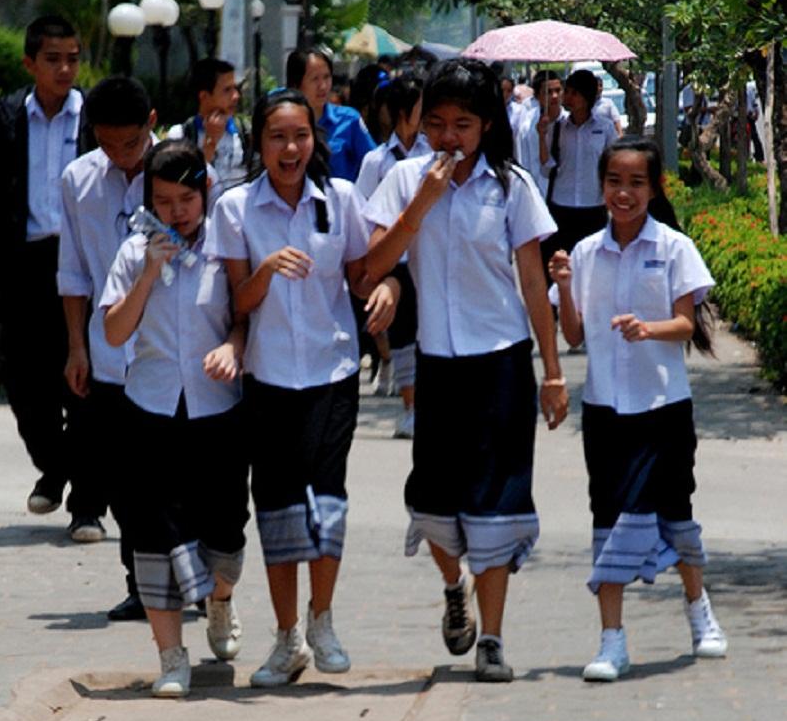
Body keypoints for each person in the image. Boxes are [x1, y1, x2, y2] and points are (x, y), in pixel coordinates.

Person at [365, 59, 569, 682]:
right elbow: (371, 267)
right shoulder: (403, 179)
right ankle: (454, 586)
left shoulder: (510, 186)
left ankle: (495, 639)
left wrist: (553, 371)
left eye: (463, 125)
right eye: (436, 124)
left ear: (486, 127)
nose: (448, 138)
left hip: (501, 364)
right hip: (437, 364)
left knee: (498, 501)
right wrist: (421, 204)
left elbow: (532, 281)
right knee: (431, 497)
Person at [205, 88, 399, 688]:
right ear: (259, 144)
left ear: (315, 139)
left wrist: (389, 287)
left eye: (300, 136)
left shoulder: (339, 200)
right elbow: (237, 304)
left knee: (329, 500)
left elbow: (366, 271)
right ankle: (287, 637)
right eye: (276, 137)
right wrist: (264, 270)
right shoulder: (235, 209)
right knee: (278, 508)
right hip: (267, 379)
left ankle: (323, 619)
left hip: (332, 373)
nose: (290, 149)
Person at [548, 137, 728, 682]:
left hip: (663, 408)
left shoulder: (673, 247)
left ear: (654, 189)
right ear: (601, 185)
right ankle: (612, 640)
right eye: (614, 182)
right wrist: (562, 287)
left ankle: (700, 613)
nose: (623, 194)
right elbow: (574, 335)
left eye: (635, 183)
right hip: (604, 411)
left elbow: (685, 323)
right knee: (608, 516)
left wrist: (647, 328)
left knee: (676, 513)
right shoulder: (583, 253)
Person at [100, 141, 248, 697]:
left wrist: (233, 347)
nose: (177, 211)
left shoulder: (226, 248)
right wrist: (147, 273)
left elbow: (244, 314)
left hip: (218, 408)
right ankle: (171, 658)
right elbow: (113, 333)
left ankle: (220, 601)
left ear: (206, 193)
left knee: (227, 529)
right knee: (153, 532)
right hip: (151, 408)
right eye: (164, 200)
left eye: (188, 198)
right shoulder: (135, 249)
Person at [0, 15, 106, 533]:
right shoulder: (7, 119)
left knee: (82, 382)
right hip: (26, 266)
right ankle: (56, 467)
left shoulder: (93, 117)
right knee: (24, 384)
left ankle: (87, 505)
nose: (65, 69)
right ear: (29, 63)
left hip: (83, 265)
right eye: (52, 59)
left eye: (73, 58)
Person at [58, 76, 157, 621]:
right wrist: (77, 347)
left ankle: (188, 576)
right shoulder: (78, 179)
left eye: (131, 144)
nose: (120, 156)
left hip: (171, 351)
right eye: (107, 144)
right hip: (107, 352)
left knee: (173, 474)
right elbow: (73, 272)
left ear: (152, 123)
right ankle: (140, 583)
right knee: (123, 476)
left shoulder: (183, 170)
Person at [356, 73, 429, 438]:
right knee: (400, 335)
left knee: (423, 333)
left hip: (425, 258)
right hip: (392, 263)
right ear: (404, 112)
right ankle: (410, 405)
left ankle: (426, 403)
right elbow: (362, 209)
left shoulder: (433, 155)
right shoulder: (377, 161)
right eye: (420, 108)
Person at [538, 69, 618, 285]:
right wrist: (541, 136)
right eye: (568, 91)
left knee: (592, 269)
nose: (567, 97)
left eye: (574, 93)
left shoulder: (605, 128)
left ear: (587, 96)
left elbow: (614, 167)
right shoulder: (557, 129)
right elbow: (546, 167)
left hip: (593, 207)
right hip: (562, 208)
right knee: (561, 267)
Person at [286, 49, 376, 181]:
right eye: (315, 79)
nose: (323, 86)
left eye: (327, 77)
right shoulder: (284, 122)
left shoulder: (349, 120)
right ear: (296, 84)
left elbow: (375, 163)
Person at [167, 58, 251, 191]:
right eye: (227, 90)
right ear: (204, 96)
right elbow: (184, 185)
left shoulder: (245, 133)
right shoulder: (181, 136)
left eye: (235, 88)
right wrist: (209, 145)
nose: (235, 96)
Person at [516, 70, 562, 199]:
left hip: (564, 197)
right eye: (548, 92)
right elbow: (523, 161)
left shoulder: (568, 123)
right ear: (537, 96)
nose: (554, 96)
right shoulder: (527, 125)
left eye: (558, 91)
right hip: (537, 193)